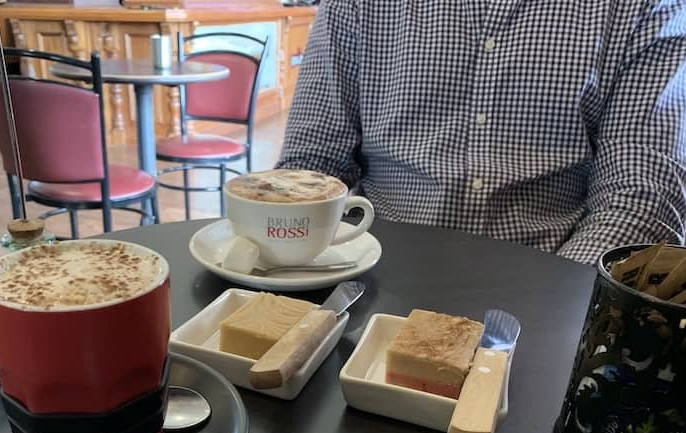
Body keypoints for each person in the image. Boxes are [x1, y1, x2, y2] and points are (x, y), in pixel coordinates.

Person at [276, 0, 686, 264]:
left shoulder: (642, 8)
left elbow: (640, 201)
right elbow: (311, 166)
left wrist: (553, 302)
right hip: (373, 275)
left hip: (548, 286)